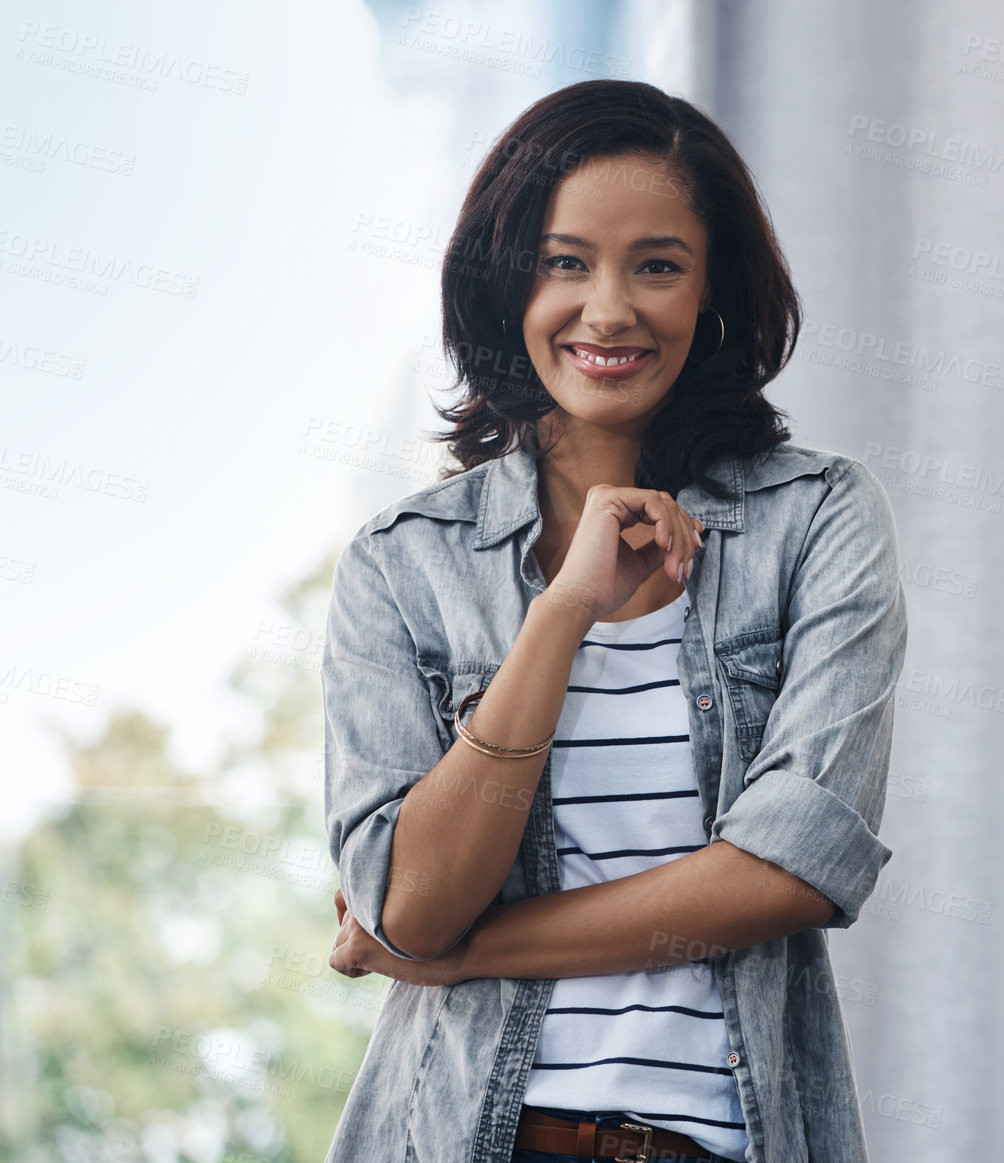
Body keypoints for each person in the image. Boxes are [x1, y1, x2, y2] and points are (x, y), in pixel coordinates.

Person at [319, 79, 908, 1163]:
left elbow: (786, 869)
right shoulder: (403, 563)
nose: (608, 308)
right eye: (563, 260)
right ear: (505, 284)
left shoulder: (817, 520)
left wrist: (460, 954)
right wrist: (560, 615)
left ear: (711, 292)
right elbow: (409, 900)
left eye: (656, 264)